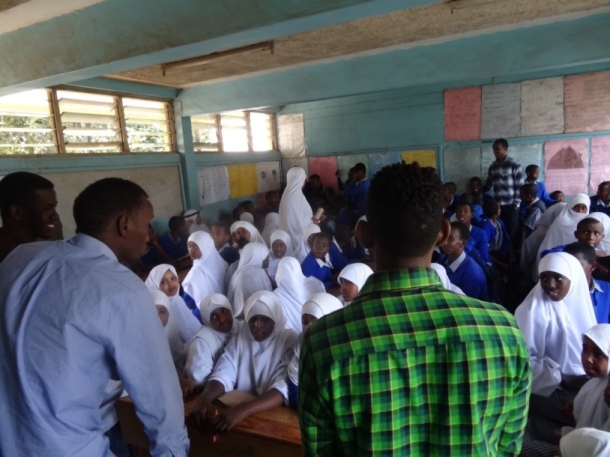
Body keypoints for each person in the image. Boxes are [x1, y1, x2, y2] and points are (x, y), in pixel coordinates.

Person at [299, 162, 531, 456]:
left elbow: (320, 452)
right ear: (443, 232)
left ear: (364, 234)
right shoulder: (503, 331)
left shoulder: (324, 343)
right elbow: (508, 448)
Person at [0, 177, 189, 456]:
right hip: (68, 446)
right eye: (146, 224)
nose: (150, 235)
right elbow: (159, 401)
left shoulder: (20, 260)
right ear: (124, 225)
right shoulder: (122, 289)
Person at [515, 252, 596, 456]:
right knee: (591, 412)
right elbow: (522, 363)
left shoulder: (579, 302)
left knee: (597, 405)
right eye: (544, 278)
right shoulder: (532, 310)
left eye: (558, 278)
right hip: (548, 388)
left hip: (584, 382)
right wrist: (564, 378)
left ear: (574, 279)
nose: (550, 285)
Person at [190, 291, 297, 433]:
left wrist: (243, 410)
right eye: (252, 319)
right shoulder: (244, 335)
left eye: (265, 319)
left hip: (271, 415)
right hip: (241, 411)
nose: (257, 325)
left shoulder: (288, 340)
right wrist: (205, 398)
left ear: (275, 319)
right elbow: (225, 369)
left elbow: (282, 388)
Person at [287, 293, 343, 410]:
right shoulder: (301, 343)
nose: (308, 328)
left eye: (316, 321)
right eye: (305, 322)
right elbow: (294, 383)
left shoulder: (343, 349)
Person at [145, 265, 202, 368]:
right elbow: (192, 333)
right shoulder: (163, 306)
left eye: (173, 278)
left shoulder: (176, 299)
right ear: (155, 285)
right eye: (163, 281)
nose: (171, 284)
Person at [0, 171, 60, 263]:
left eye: (54, 207)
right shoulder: (11, 256)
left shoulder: (34, 248)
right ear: (17, 212)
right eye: (47, 208)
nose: (55, 216)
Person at [184, 294, 240, 386]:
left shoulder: (240, 326)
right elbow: (199, 378)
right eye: (214, 317)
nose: (221, 319)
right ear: (207, 320)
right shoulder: (202, 341)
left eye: (224, 311)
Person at [565, 324, 610, 433]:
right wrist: (577, 406)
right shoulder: (599, 380)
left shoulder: (608, 392)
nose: (588, 359)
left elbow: (603, 444)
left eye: (598, 354)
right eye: (585, 349)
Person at [483, 138, 524, 241]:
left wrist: (516, 204)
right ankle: (505, 254)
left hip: (511, 205)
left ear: (505, 148)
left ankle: (513, 255)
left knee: (512, 230)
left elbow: (520, 186)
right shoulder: (493, 166)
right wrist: (480, 190)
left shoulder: (513, 164)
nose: (495, 152)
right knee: (501, 229)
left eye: (497, 149)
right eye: (494, 149)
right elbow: (489, 184)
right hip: (498, 206)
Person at [438, 221, 489, 301]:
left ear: (463, 243)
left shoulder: (472, 275)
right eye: (445, 237)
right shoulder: (443, 260)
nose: (444, 242)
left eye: (450, 238)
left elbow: (466, 305)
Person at [274, 257, 325, 332]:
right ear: (298, 268)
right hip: (320, 329)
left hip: (295, 337)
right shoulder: (314, 283)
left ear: (279, 272)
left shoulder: (276, 295)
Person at [564, 242, 610, 324]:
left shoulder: (607, 289)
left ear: (592, 267)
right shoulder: (560, 291)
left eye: (578, 265)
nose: (571, 269)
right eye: (567, 264)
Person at [537, 193, 591, 263]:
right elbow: (550, 244)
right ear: (570, 207)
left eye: (583, 208)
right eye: (576, 207)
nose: (579, 211)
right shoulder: (560, 222)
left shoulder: (588, 225)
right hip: (553, 258)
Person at [279, 167, 320, 252]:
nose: (305, 182)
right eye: (304, 179)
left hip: (290, 237)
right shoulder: (294, 197)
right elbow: (295, 224)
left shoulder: (288, 195)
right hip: (297, 240)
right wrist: (312, 222)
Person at [227, 242, 273, 318]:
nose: (268, 259)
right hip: (249, 317)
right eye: (266, 257)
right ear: (257, 257)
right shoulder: (252, 275)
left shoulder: (239, 273)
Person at [182, 231, 228, 307]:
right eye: (189, 246)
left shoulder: (195, 273)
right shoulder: (222, 262)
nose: (191, 250)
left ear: (206, 247)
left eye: (196, 246)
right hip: (225, 307)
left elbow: (189, 303)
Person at [454, 201, 491, 267]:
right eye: (459, 211)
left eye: (465, 211)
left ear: (472, 215)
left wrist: (470, 248)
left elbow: (483, 260)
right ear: (456, 215)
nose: (462, 214)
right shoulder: (451, 231)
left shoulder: (481, 234)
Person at [480, 199, 511, 265]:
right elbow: (484, 250)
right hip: (492, 256)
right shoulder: (485, 226)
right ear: (496, 212)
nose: (500, 210)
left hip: (501, 251)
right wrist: (498, 263)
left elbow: (506, 237)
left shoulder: (499, 221)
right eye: (499, 208)